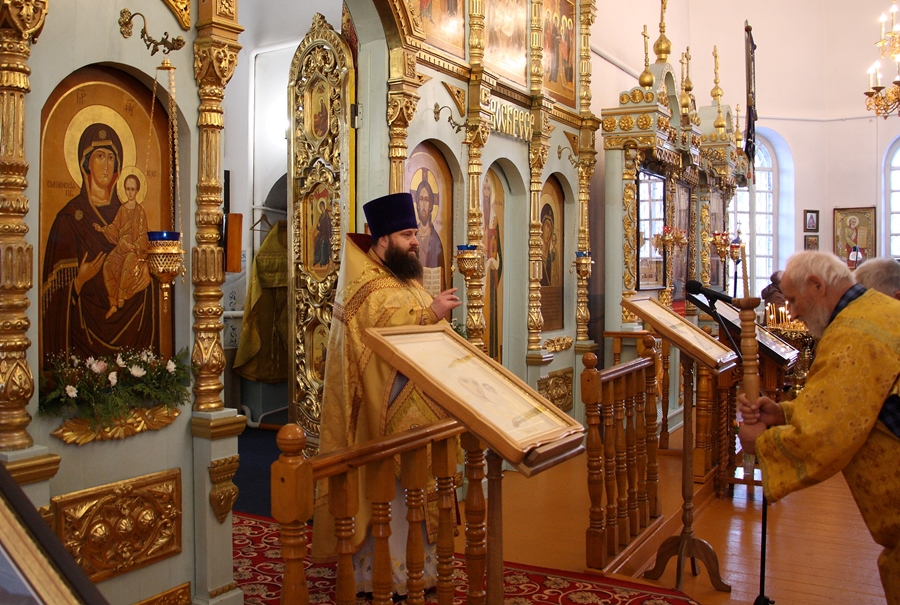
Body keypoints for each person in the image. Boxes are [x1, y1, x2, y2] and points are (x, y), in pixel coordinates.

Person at [311, 192, 462, 598]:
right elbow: (385, 333)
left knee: (412, 492)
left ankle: (418, 569)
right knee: (390, 497)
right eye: (406, 234)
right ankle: (385, 575)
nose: (415, 241)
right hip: (384, 414)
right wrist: (429, 314)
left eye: (415, 233)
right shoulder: (368, 285)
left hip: (415, 409)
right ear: (382, 239)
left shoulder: (401, 279)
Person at [738, 251, 900, 603]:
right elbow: (852, 403)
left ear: (817, 285)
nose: (792, 312)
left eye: (793, 300)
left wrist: (758, 444)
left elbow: (826, 434)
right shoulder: (877, 311)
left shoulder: (853, 334)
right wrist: (782, 414)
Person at [41, 123, 156, 367]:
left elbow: (142, 246)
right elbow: (49, 298)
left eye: (111, 157)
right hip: (83, 338)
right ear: (86, 163)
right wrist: (78, 282)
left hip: (133, 333)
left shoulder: (130, 211)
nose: (106, 165)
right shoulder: (69, 218)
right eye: (99, 156)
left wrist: (146, 268)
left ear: (118, 166)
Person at [94, 172, 151, 318]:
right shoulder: (122, 209)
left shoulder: (140, 212)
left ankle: (121, 295)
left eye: (132, 189)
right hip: (121, 247)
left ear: (137, 190)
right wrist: (103, 229)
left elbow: (143, 234)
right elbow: (115, 227)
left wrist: (134, 246)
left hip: (134, 250)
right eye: (127, 189)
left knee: (128, 262)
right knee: (108, 264)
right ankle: (113, 303)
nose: (130, 192)